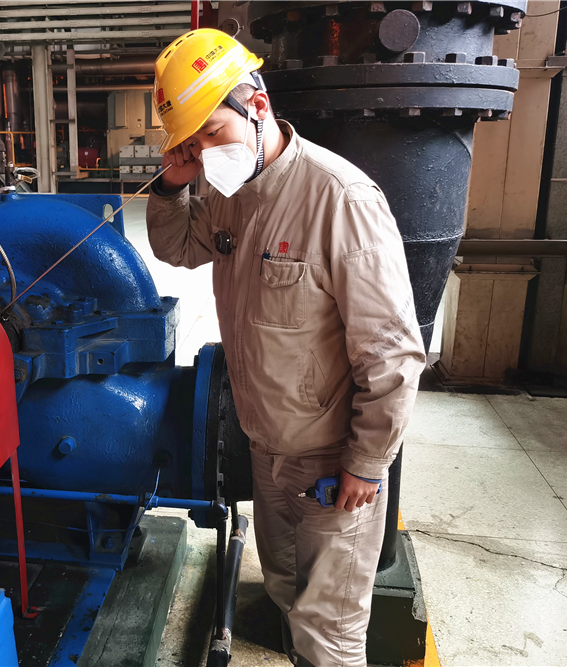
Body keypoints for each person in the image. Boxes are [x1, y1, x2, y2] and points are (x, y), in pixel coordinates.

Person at [146, 29, 426, 667]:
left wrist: (366, 463)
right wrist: (171, 185)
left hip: (330, 462)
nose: (204, 151)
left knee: (329, 637)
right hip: (266, 447)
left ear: (258, 106)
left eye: (211, 132)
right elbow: (178, 248)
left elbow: (392, 353)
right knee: (283, 593)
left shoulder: (340, 200)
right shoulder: (228, 193)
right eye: (191, 142)